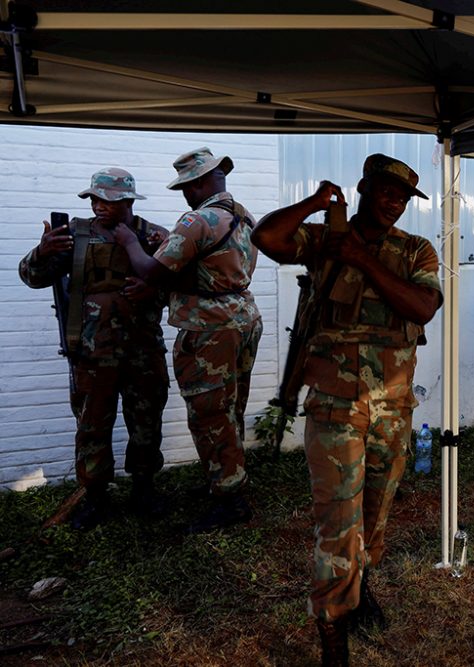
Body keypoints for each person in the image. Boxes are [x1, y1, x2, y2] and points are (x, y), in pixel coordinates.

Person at [250, 154, 442, 666]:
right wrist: (315, 203)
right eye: (385, 192)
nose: (393, 203)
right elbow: (266, 239)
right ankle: (333, 636)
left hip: (393, 408)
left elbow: (423, 307)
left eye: (402, 198)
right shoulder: (326, 239)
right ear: (363, 189)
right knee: (338, 521)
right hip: (336, 405)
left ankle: (360, 590)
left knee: (375, 517)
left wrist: (364, 260)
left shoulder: (416, 250)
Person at [114, 147, 262, 533]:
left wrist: (130, 241)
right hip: (243, 320)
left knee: (210, 412)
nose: (184, 194)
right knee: (231, 408)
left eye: (186, 187)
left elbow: (151, 271)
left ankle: (229, 501)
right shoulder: (244, 216)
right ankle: (224, 478)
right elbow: (212, 270)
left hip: (210, 329)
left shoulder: (198, 220)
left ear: (198, 183)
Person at [18, 168, 169, 530]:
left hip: (142, 351)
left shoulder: (153, 237)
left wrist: (154, 290)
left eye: (109, 200)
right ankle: (96, 498)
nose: (100, 206)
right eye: (95, 199)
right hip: (91, 352)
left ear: (129, 201)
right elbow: (31, 277)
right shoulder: (74, 234)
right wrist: (42, 253)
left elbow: (179, 284)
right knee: (92, 427)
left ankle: (144, 489)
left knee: (146, 423)